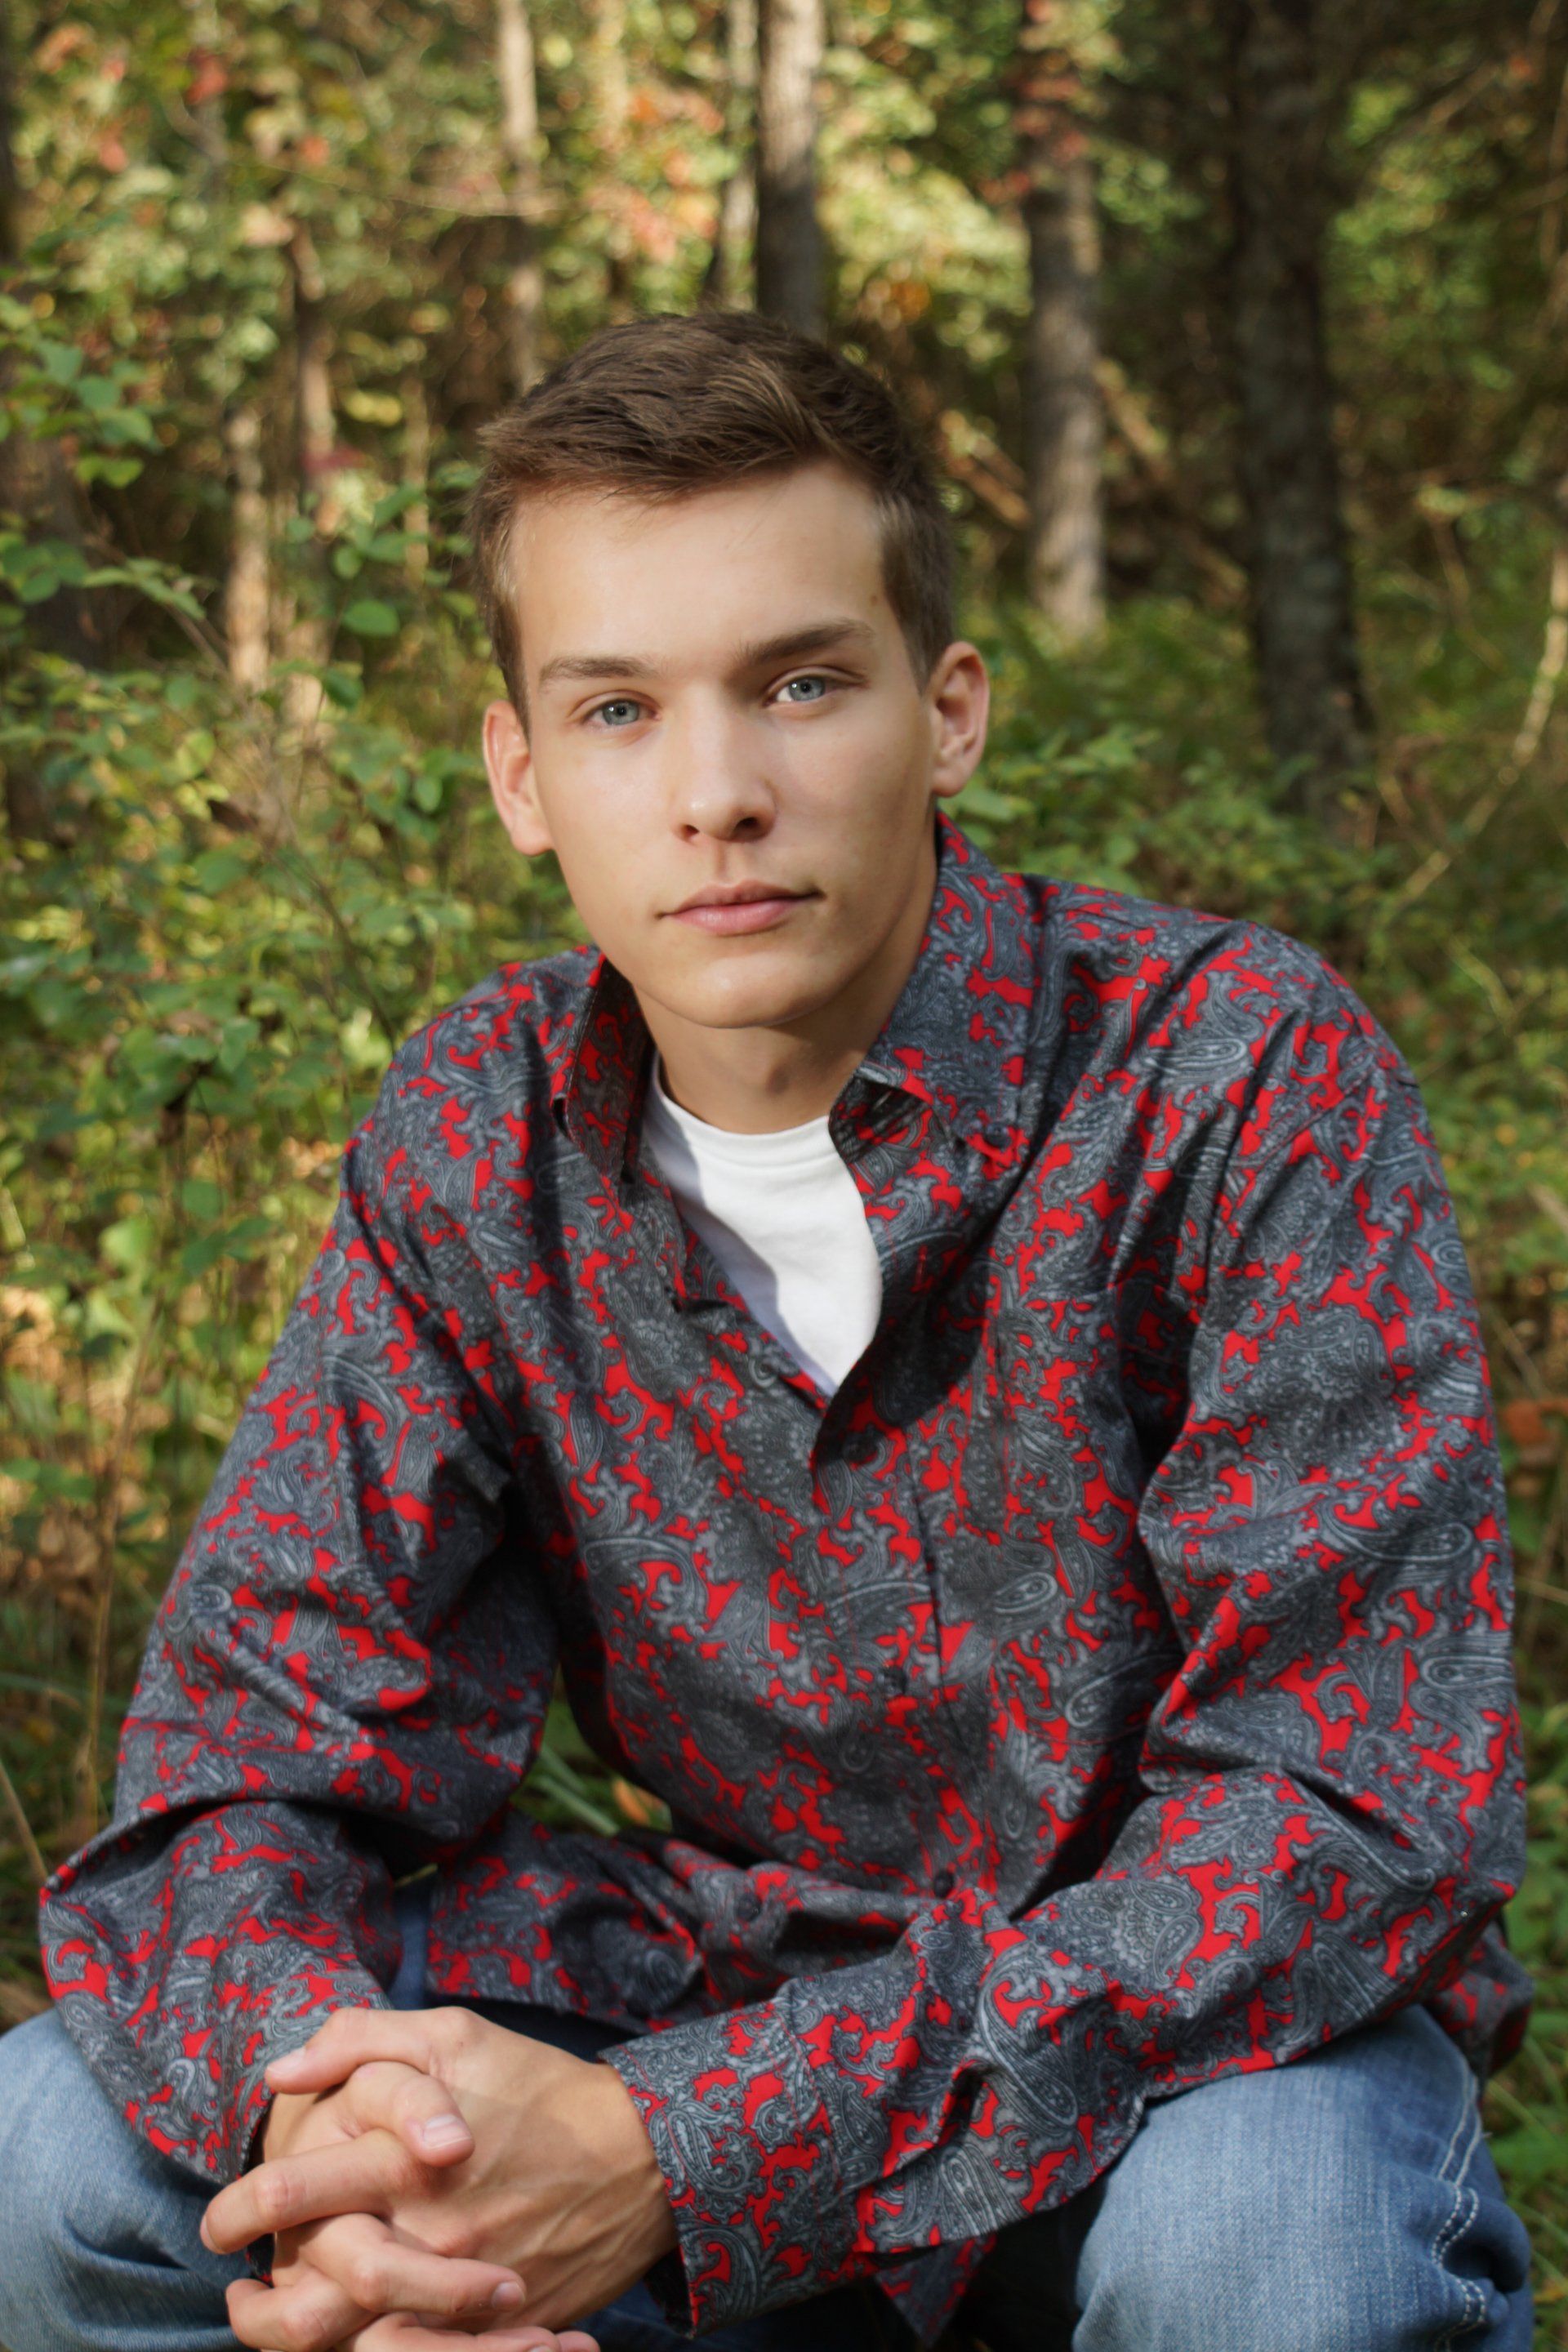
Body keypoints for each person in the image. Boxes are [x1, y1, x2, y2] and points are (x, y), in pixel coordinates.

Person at [0, 310, 1536, 2352]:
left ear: (948, 712)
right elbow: (243, 1758)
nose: (718, 793)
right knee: (51, 2151)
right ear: (522, 774)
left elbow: (1347, 1812)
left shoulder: (1235, 1078)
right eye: (618, 709)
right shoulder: (480, 1134)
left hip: (1176, 2083)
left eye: (801, 684)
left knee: (1267, 2249)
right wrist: (361, 2162)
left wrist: (679, 2154)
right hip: (704, 1980)